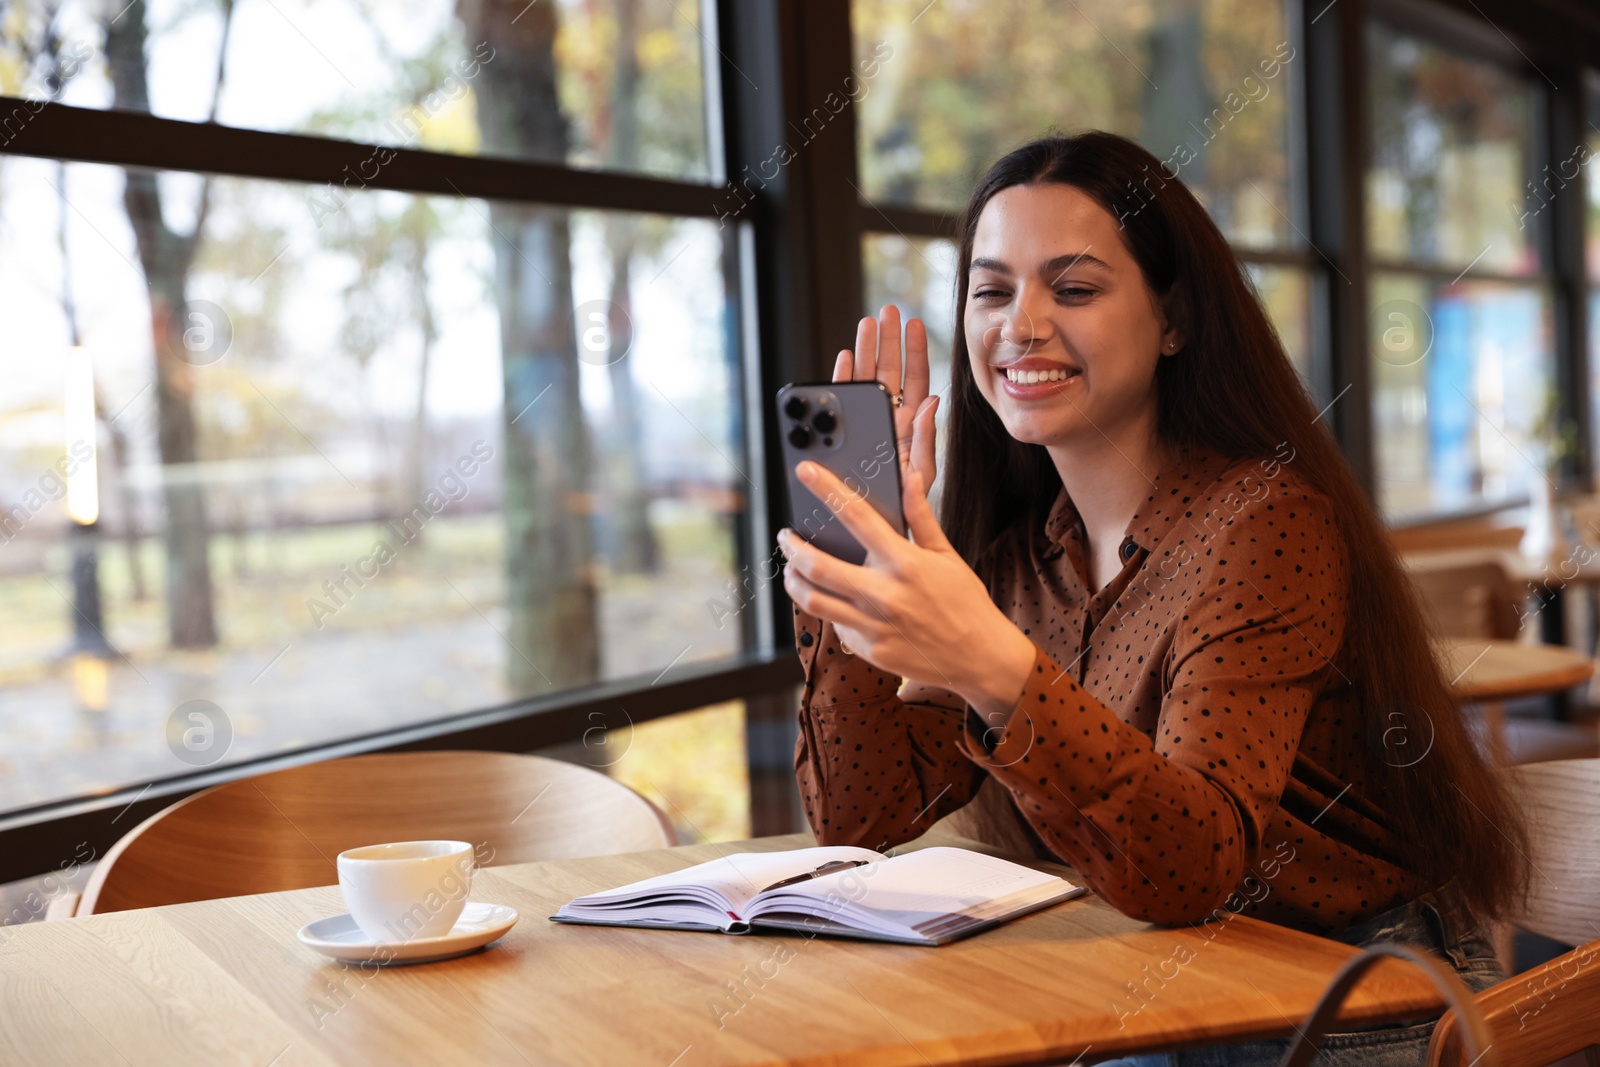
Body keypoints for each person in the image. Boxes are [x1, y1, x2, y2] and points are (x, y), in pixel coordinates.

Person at [777, 132, 1523, 1065]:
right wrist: (857, 567)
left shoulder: (1262, 521)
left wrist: (994, 666)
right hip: (1146, 989)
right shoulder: (1012, 560)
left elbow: (1194, 865)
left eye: (1075, 288)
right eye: (992, 289)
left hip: (1350, 1000)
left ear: (1172, 319)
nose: (1022, 326)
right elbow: (862, 814)